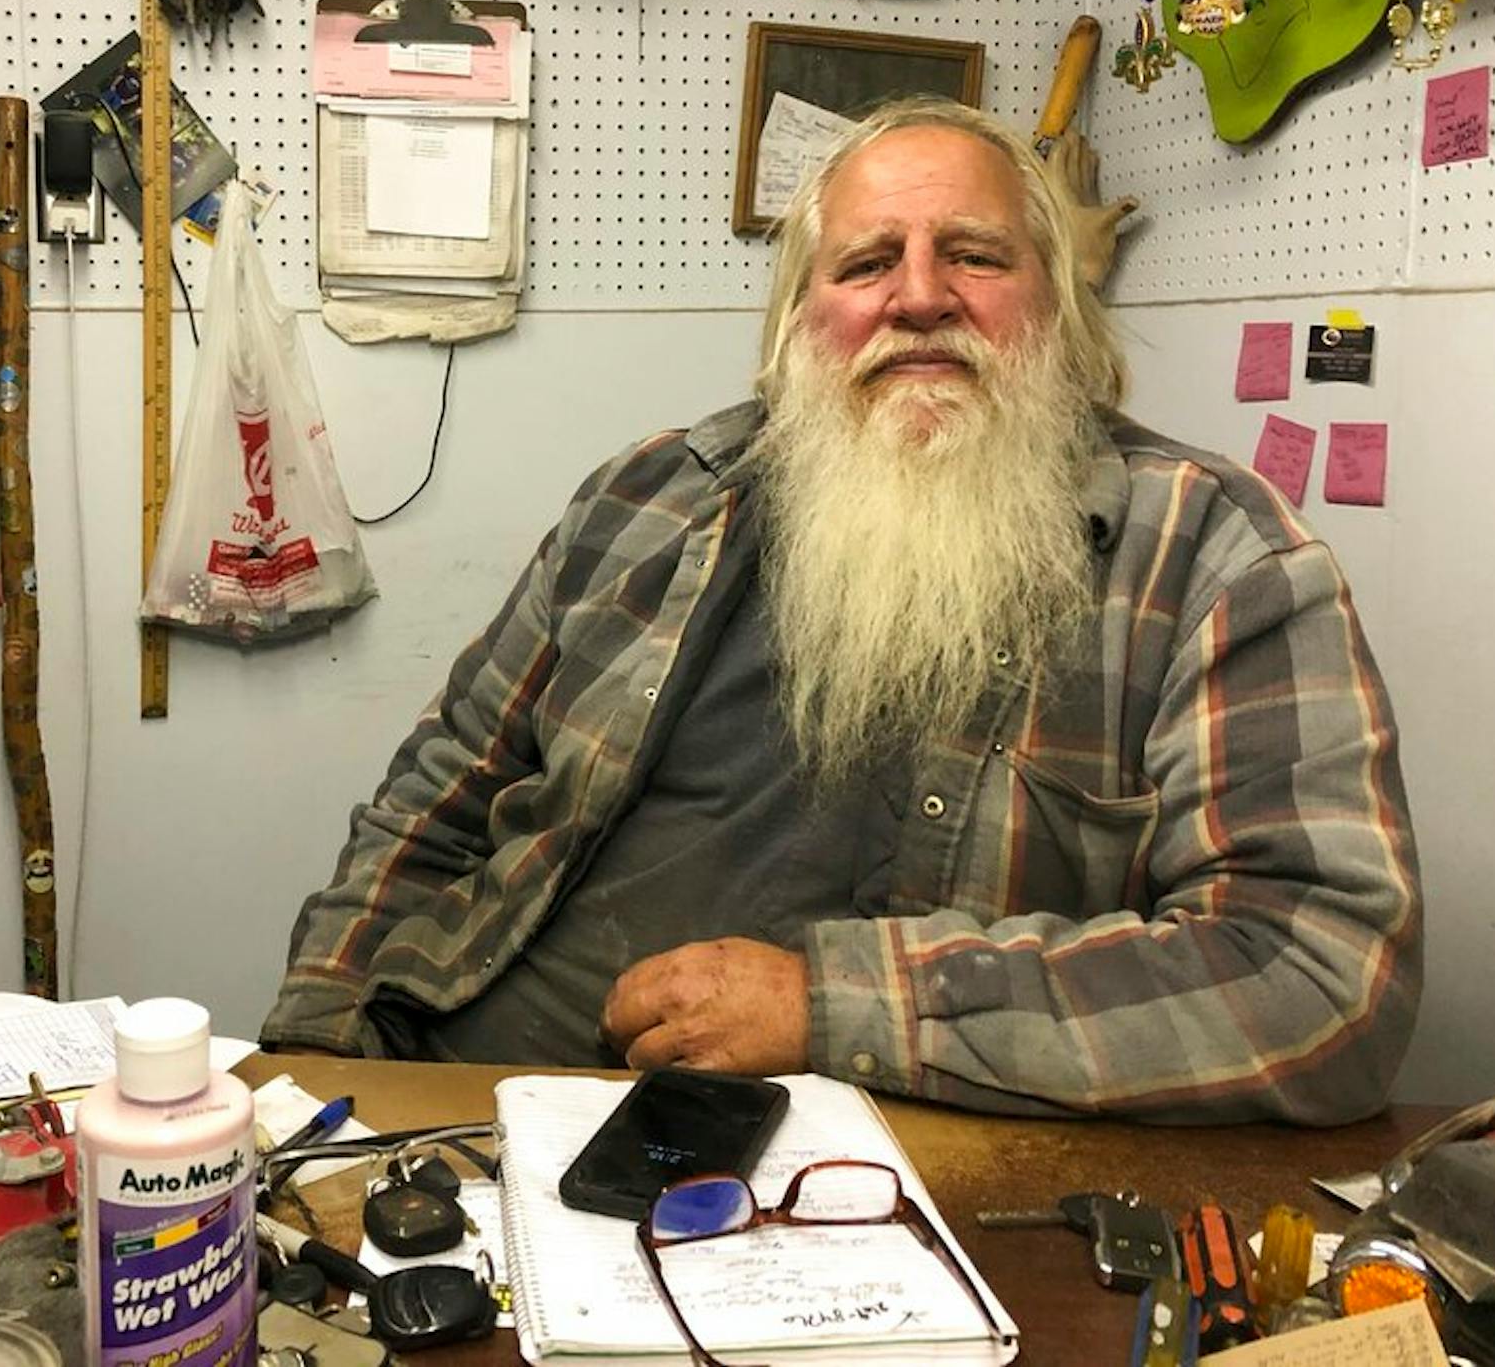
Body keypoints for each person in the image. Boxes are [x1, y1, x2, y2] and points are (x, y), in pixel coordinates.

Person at [262, 98, 1422, 1124]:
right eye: (866, 264)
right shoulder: (646, 497)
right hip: (466, 1095)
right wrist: (312, 1040)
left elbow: (1318, 973)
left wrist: (837, 1007)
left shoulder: (1219, 558)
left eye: (975, 255)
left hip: (846, 1175)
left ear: (1063, 309)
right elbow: (447, 786)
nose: (920, 297)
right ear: (796, 323)